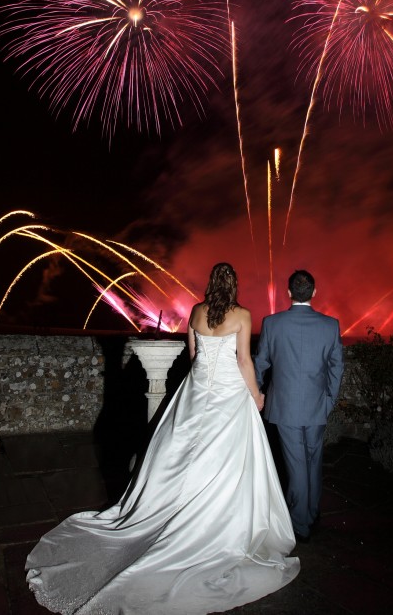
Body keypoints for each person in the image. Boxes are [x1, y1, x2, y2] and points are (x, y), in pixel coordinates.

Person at [25, 263, 299, 614]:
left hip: (198, 390)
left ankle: (176, 510)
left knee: (181, 451)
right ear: (235, 286)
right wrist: (257, 396)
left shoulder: (197, 313)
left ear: (211, 285)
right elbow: (244, 360)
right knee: (229, 459)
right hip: (229, 394)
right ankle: (216, 522)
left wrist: (203, 383)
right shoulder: (242, 315)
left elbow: (195, 356)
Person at [254, 269, 345, 543]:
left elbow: (261, 362)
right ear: (314, 293)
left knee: (296, 464)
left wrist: (256, 391)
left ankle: (300, 523)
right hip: (318, 405)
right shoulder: (330, 325)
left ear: (289, 292)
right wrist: (329, 399)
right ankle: (312, 512)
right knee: (313, 460)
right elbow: (337, 367)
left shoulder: (272, 323)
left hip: (285, 406)